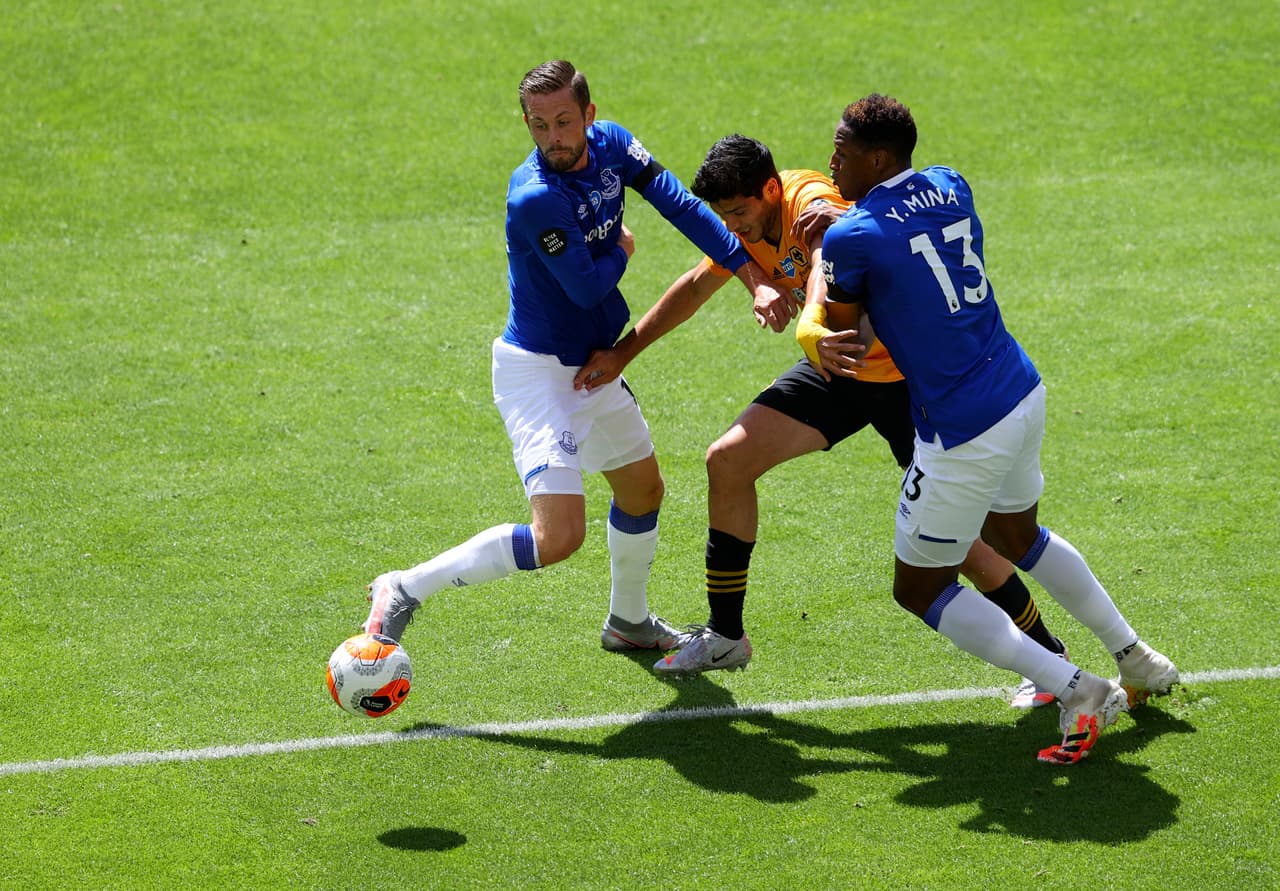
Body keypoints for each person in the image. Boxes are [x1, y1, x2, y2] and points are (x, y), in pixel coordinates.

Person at [574, 134, 1066, 707]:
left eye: (738, 212)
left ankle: (1049, 654)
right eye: (722, 216)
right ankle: (726, 636)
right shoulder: (744, 229)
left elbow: (825, 254)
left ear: (769, 189)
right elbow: (695, 287)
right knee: (727, 460)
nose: (731, 227)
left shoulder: (808, 198)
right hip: (838, 372)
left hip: (902, 382)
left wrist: (809, 323)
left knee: (968, 542)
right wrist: (622, 355)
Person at [361, 60, 789, 652]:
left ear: (588, 115)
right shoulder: (535, 198)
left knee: (643, 491)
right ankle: (404, 587)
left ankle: (628, 622)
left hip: (593, 366)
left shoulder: (612, 144)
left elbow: (680, 204)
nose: (553, 138)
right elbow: (588, 288)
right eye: (539, 125)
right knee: (557, 537)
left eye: (564, 121)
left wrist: (753, 278)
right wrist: (621, 247)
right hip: (537, 373)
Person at [818, 94, 1178, 763]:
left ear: (877, 156)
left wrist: (822, 256)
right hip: (1019, 389)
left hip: (962, 426)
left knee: (919, 586)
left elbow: (848, 337)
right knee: (1017, 535)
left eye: (842, 148)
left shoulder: (850, 236)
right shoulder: (951, 183)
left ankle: (1073, 686)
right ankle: (1138, 658)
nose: (831, 158)